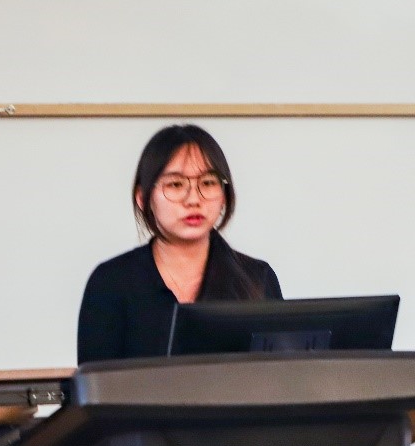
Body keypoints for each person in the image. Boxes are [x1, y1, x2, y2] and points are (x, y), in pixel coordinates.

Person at [77, 124, 282, 363]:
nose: (193, 199)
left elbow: (279, 376)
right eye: (175, 184)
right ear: (143, 198)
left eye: (208, 183)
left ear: (224, 195)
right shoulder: (111, 283)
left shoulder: (257, 278)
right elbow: (96, 382)